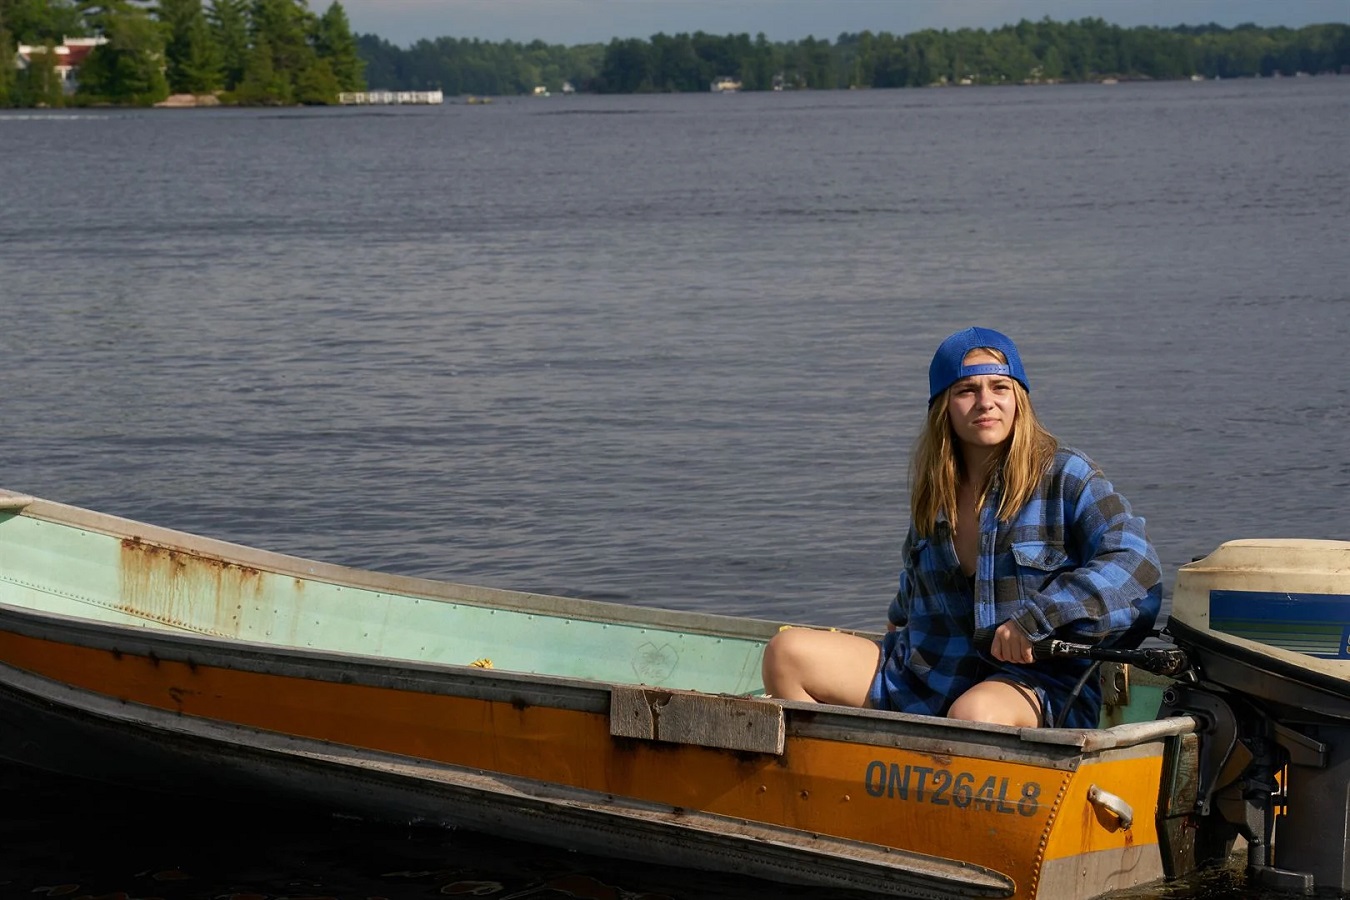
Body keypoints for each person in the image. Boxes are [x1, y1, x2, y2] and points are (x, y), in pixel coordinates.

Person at [761, 326, 1162, 729]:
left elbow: (1136, 562)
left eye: (1000, 387)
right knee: (786, 653)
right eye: (967, 390)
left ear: (1019, 399)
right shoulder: (937, 488)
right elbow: (914, 578)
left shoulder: (1066, 476)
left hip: (1035, 684)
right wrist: (898, 614)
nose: (986, 402)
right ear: (944, 406)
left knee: (974, 714)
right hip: (925, 674)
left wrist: (1037, 620)